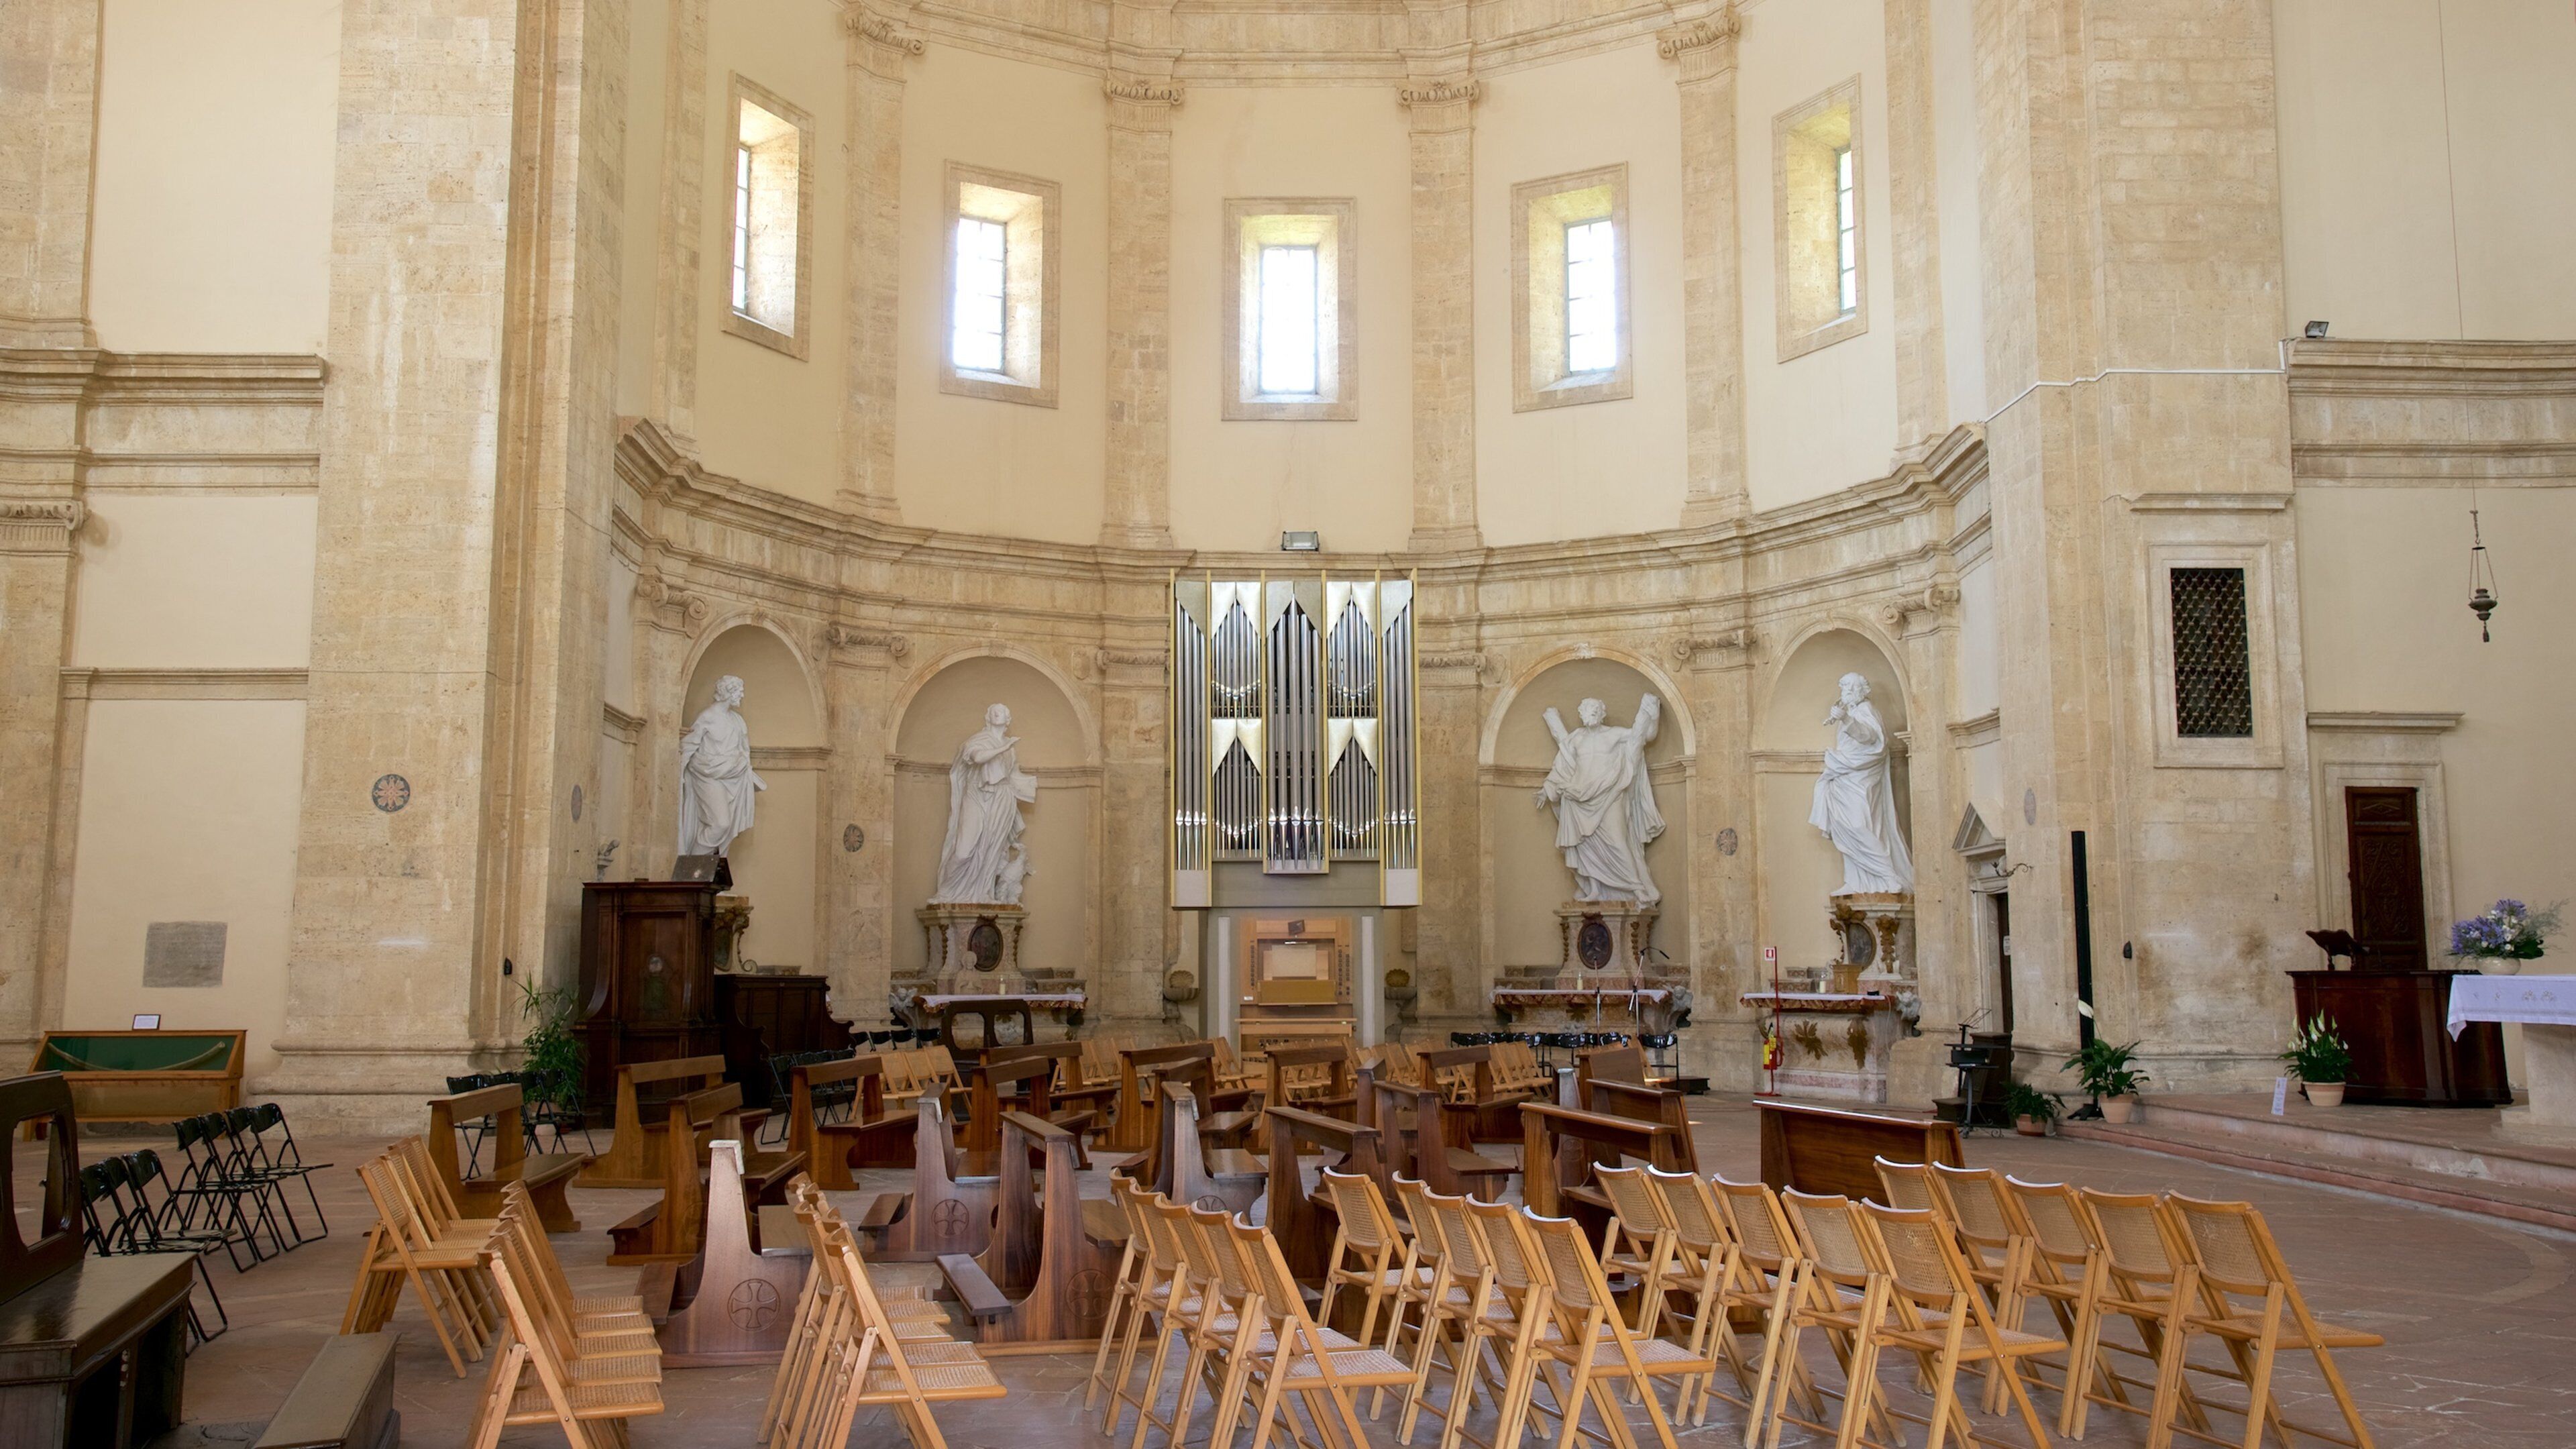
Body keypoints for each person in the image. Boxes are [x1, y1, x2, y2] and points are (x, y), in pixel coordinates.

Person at [1535, 694, 1664, 905]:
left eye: (1595, 709)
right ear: (1581, 714)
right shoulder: (1576, 738)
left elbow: (1645, 737)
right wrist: (1547, 789)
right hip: (1578, 799)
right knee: (1586, 847)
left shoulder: (1614, 734)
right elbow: (1563, 765)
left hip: (1609, 793)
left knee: (1618, 840)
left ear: (1602, 714)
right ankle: (1595, 889)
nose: (1591, 712)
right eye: (1587, 709)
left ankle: (1637, 887)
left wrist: (1653, 714)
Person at [1810, 672, 1914, 894]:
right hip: (1844, 776)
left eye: (1850, 689)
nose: (1845, 694)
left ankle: (1888, 875)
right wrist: (1844, 716)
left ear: (1861, 691)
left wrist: (1846, 719)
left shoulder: (1866, 710)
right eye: (1843, 690)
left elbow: (1870, 738)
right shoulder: (1852, 711)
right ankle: (1855, 880)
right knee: (1844, 827)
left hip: (1861, 775)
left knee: (1859, 825)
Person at [932, 703, 1038, 904]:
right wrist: (1004, 747)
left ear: (1008, 720)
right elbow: (978, 757)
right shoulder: (978, 741)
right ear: (988, 717)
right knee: (965, 850)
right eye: (995, 711)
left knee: (992, 849)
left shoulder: (1010, 748)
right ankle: (946, 893)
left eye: (1005, 712)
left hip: (1002, 799)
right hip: (977, 796)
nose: (1000, 713)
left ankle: (985, 893)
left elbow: (1011, 775)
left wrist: (1027, 786)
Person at [676, 674, 764, 859]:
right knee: (720, 824)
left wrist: (740, 766)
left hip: (734, 778)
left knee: (727, 828)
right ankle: (692, 874)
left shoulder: (738, 720)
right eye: (739, 691)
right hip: (708, 776)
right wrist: (680, 773)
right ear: (727, 693)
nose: (741, 695)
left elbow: (743, 750)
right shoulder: (707, 717)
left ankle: (710, 877)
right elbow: (689, 745)